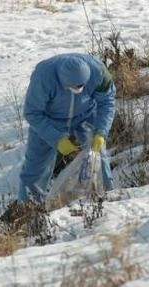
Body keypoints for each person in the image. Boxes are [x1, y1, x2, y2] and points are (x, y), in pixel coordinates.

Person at [18, 53, 116, 203]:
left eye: (81, 86)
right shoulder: (43, 76)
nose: (78, 89)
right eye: (74, 86)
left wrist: (101, 132)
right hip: (49, 120)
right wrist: (57, 139)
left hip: (85, 116)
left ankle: (107, 199)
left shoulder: (98, 71)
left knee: (97, 157)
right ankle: (29, 212)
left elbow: (107, 101)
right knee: (35, 171)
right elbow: (32, 113)